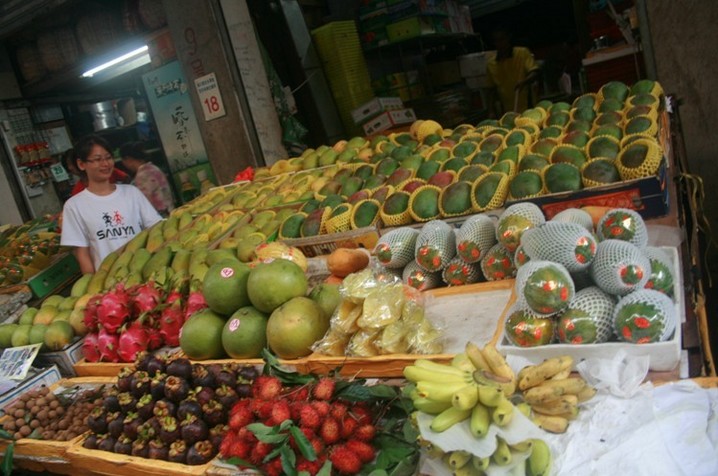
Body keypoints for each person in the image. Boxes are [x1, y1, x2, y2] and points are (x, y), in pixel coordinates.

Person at [61, 135, 162, 274]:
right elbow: (82, 254)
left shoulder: (132, 193)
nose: (105, 164)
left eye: (108, 157)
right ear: (81, 164)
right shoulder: (74, 206)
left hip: (142, 273)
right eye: (97, 159)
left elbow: (156, 229)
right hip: (108, 281)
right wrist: (92, 287)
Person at [486, 26, 542, 117]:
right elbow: (490, 90)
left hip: (528, 108)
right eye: (497, 41)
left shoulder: (522, 53)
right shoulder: (491, 64)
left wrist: (524, 82)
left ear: (508, 38)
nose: (500, 44)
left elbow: (535, 72)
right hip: (508, 112)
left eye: (502, 39)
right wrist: (491, 111)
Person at [119, 141, 175, 215]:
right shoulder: (154, 168)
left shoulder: (141, 177)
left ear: (128, 159)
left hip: (161, 217)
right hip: (172, 211)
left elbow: (144, 205)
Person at [63, 147, 131, 196]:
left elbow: (126, 178)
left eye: (71, 163)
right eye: (68, 165)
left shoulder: (106, 171)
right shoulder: (77, 191)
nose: (70, 167)